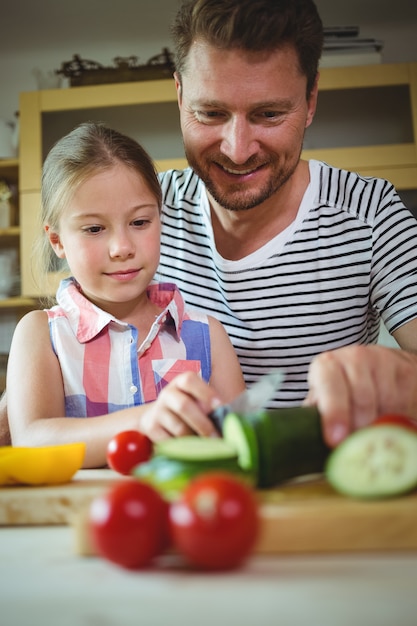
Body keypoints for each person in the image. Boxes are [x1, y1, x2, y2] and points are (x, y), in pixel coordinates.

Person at [153, 0, 417, 445]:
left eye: (269, 114)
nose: (237, 150)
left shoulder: (372, 215)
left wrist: (403, 373)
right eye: (211, 114)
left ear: (310, 100)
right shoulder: (139, 213)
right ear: (180, 96)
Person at [5, 122, 245, 467]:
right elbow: (32, 441)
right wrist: (142, 422)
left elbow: (239, 443)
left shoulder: (208, 335)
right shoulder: (41, 334)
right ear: (57, 240)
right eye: (94, 229)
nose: (121, 248)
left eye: (139, 222)